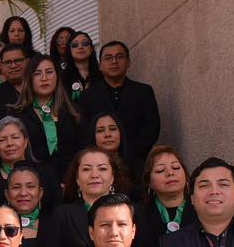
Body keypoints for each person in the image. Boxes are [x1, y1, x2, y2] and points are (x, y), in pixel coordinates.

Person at [80, 41, 161, 173]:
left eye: (119, 56)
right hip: (99, 164)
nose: (114, 61)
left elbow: (152, 127)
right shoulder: (87, 96)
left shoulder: (143, 92)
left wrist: (130, 152)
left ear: (128, 62)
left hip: (137, 163)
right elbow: (84, 129)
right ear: (100, 65)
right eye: (108, 58)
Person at [46, 146, 121, 247]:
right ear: (77, 179)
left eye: (102, 169)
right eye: (86, 169)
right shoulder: (62, 215)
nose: (94, 175)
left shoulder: (132, 212)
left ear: (112, 177)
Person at [0, 115, 59, 214]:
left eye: (15, 137)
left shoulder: (46, 174)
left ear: (26, 141)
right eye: (2, 140)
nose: (9, 143)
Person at [16, 53, 82, 177]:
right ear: (29, 78)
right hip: (33, 183)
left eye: (49, 72)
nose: (44, 78)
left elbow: (83, 148)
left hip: (72, 181)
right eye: (37, 73)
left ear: (57, 76)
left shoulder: (73, 111)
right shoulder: (17, 115)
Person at [133, 145, 195, 247]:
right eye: (160, 170)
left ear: (186, 176)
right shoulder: (136, 215)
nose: (170, 173)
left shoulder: (201, 209)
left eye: (176, 167)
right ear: (149, 182)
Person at [61, 31, 96, 105]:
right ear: (69, 50)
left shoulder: (102, 75)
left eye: (85, 44)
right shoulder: (62, 78)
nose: (80, 47)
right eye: (75, 45)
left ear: (91, 49)